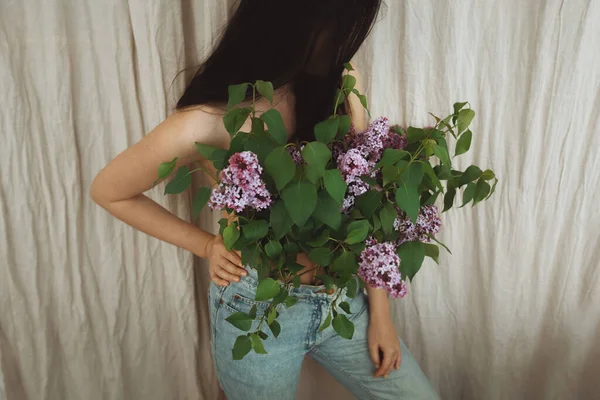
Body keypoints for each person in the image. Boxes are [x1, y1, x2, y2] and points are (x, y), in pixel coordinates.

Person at [90, 1, 439, 398]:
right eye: (338, 26)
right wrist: (205, 244)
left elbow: (365, 198)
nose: (347, 40)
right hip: (255, 306)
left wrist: (382, 314)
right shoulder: (207, 119)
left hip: (341, 298)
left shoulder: (342, 81)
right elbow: (109, 190)